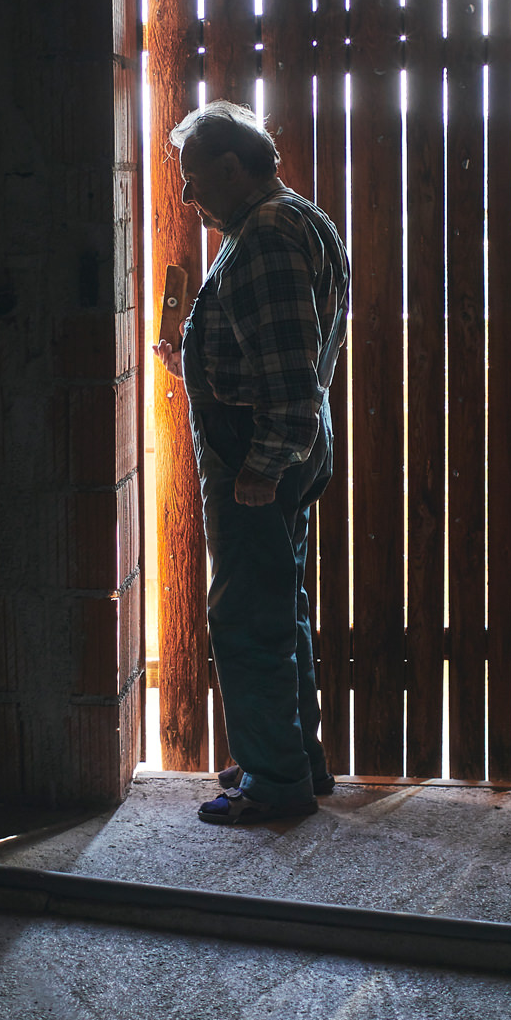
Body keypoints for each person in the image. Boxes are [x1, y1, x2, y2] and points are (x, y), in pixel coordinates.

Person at [152, 101, 350, 825]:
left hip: (259, 451)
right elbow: (268, 353)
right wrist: (190, 362)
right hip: (285, 443)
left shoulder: (265, 235)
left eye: (193, 176)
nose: (185, 194)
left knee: (247, 612)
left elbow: (288, 377)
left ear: (232, 168)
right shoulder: (297, 216)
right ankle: (292, 757)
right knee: (279, 601)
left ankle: (274, 783)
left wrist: (260, 468)